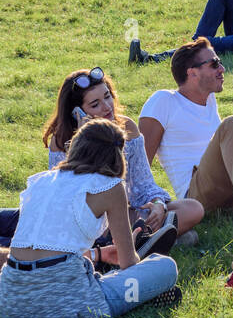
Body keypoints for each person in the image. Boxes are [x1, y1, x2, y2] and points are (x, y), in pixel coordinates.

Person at [0, 119, 180, 318]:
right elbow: (129, 263)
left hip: (10, 302)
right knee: (165, 267)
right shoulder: (110, 187)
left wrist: (97, 254)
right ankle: (139, 296)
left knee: (100, 278)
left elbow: (45, 247)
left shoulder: (40, 181)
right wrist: (131, 246)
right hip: (71, 305)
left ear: (76, 146)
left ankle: (128, 290)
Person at [43, 68, 202, 244]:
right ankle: (147, 240)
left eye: (107, 96)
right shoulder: (62, 140)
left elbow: (144, 184)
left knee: (193, 208)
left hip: (125, 212)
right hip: (88, 218)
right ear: (76, 112)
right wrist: (85, 140)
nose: (106, 107)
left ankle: (141, 240)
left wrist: (158, 205)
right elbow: (65, 197)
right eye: (95, 104)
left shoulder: (127, 127)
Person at [140, 39, 233, 224]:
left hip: (229, 184)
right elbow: (140, 165)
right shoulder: (163, 101)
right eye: (214, 64)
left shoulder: (209, 101)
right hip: (195, 194)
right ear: (192, 73)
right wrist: (155, 204)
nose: (222, 69)